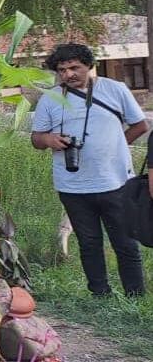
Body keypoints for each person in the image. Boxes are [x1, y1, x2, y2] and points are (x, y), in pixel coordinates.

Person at [32, 43, 148, 297]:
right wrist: (49, 140)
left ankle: (135, 296)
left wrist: (115, 147)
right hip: (73, 187)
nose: (68, 74)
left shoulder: (114, 89)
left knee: (126, 244)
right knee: (89, 243)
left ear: (89, 66)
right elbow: (36, 138)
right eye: (62, 70)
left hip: (117, 183)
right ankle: (100, 294)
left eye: (75, 68)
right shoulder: (50, 99)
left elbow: (140, 126)